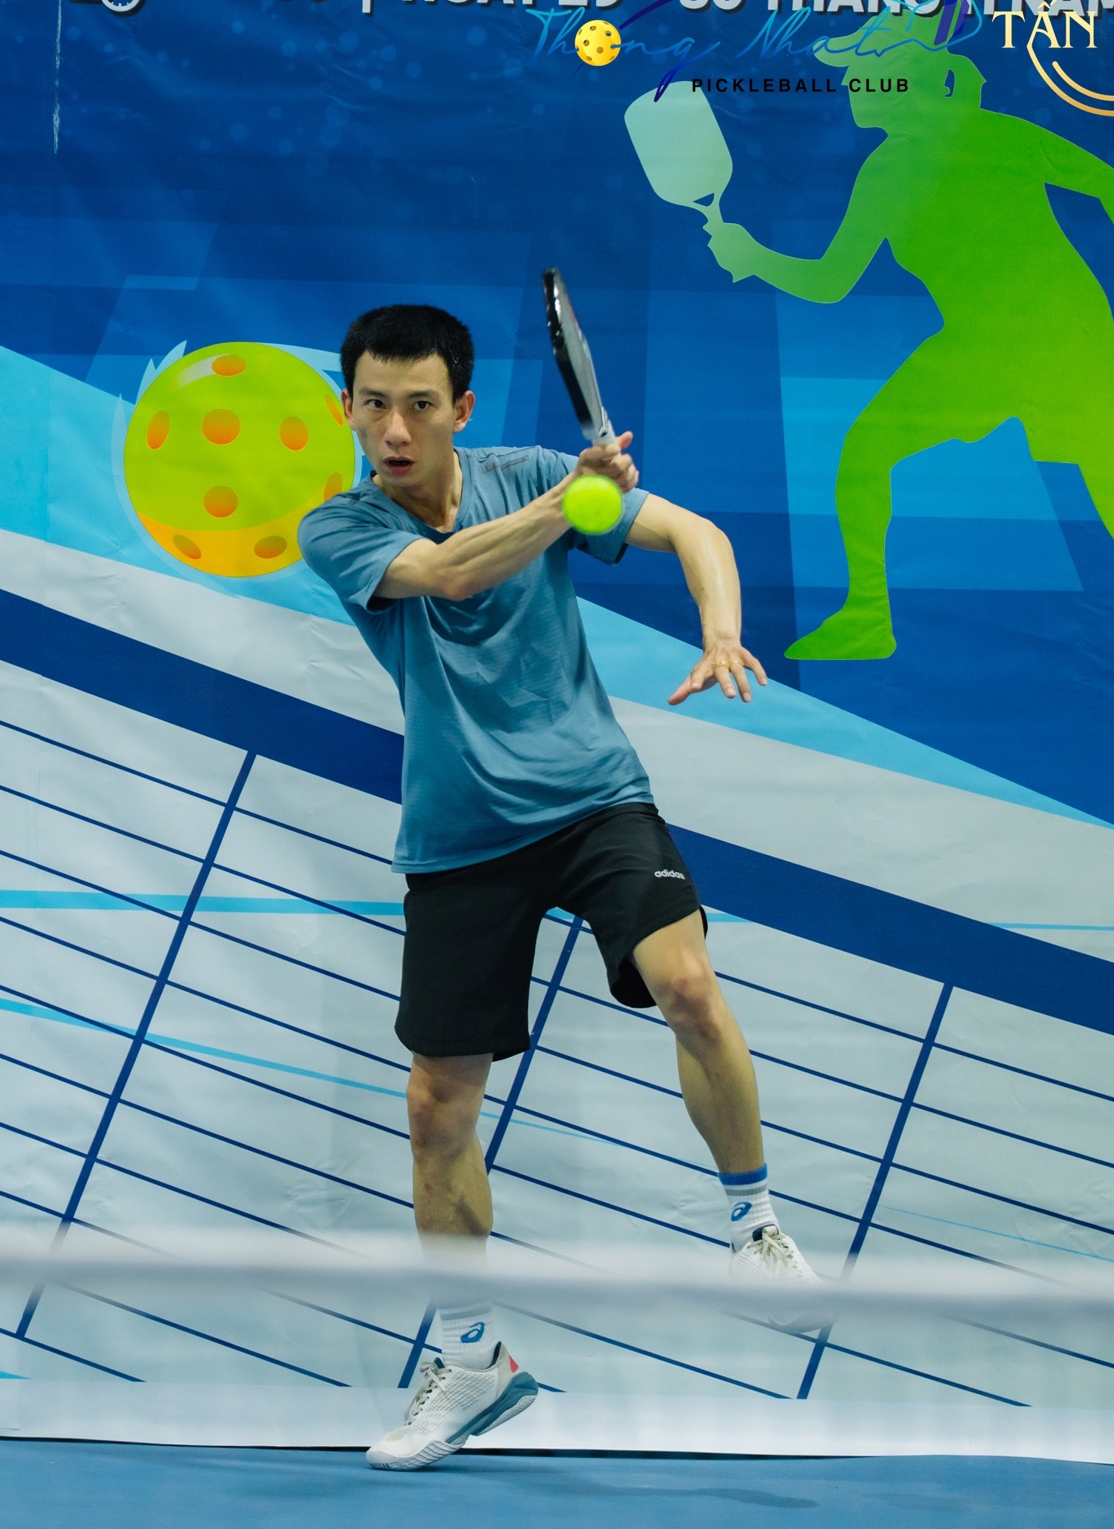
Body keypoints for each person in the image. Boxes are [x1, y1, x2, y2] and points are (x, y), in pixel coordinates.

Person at [295, 305, 815, 1472]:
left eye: (419, 405)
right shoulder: (341, 525)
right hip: (460, 831)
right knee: (436, 1105)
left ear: (462, 410)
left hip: (593, 798)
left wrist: (721, 631)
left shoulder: (528, 472)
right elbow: (445, 572)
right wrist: (570, 502)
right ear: (347, 409)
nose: (394, 429)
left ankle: (756, 1227)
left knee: (688, 983)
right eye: (373, 404)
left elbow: (695, 532)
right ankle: (472, 1359)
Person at [704, 0, 1114, 661]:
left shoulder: (965, 145)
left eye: (861, 73)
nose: (850, 85)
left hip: (1063, 349)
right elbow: (833, 282)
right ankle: (868, 619)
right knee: (867, 455)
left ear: (900, 81)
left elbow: (1109, 183)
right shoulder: (902, 164)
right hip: (990, 349)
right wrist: (756, 257)